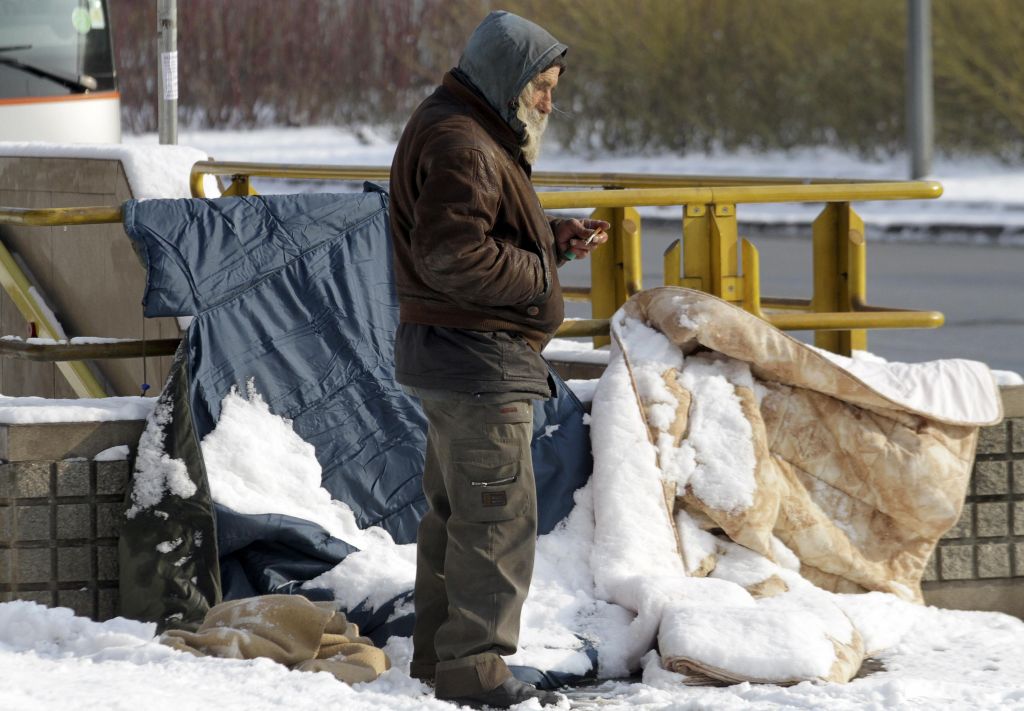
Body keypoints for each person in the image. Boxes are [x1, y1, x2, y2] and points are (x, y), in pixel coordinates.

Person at [388, 10, 608, 709]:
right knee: (495, 519)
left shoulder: (462, 126)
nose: (550, 101)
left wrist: (550, 237)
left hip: (453, 357)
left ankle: (439, 658)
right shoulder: (463, 142)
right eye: (541, 86)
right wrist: (542, 275)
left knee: (457, 514)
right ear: (506, 79)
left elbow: (468, 231)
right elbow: (454, 255)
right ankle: (475, 670)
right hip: (477, 359)